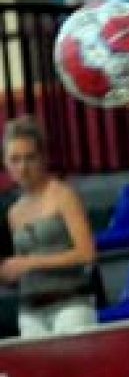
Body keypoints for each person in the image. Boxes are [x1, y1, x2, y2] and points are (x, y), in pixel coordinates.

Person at [0, 116, 97, 337]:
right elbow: (19, 266)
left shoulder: (64, 196)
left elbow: (87, 253)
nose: (23, 167)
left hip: (70, 304)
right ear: (6, 164)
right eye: (15, 160)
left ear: (43, 158)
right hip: (30, 310)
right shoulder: (14, 211)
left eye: (29, 158)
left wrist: (30, 263)